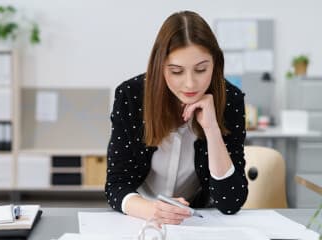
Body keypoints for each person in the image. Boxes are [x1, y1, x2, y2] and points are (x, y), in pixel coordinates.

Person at [105, 10, 248, 225]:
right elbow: (116, 185)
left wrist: (211, 129)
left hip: (197, 221)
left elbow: (231, 202)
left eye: (201, 70)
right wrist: (153, 210)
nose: (190, 84)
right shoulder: (131, 96)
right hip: (140, 216)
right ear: (160, 67)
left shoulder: (230, 100)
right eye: (176, 71)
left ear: (215, 65)